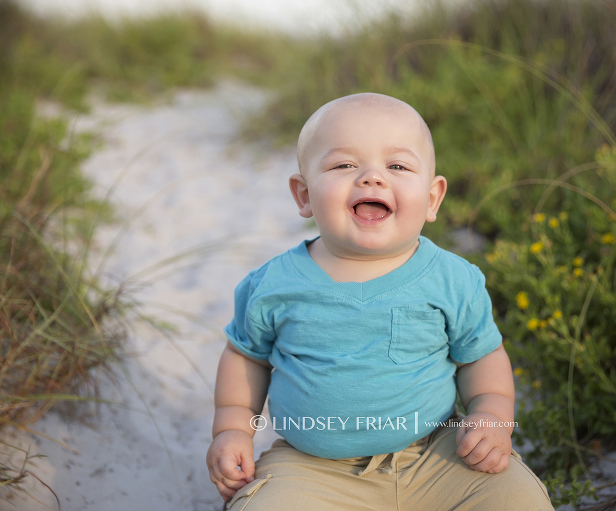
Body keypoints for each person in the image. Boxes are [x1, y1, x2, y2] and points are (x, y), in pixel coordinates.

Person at [205, 93, 553, 511]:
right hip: (312, 469)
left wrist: (491, 416)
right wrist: (231, 430)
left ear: (431, 198)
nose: (372, 178)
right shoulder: (273, 284)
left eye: (398, 166)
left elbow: (481, 357)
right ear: (303, 195)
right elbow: (247, 358)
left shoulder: (452, 279)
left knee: (516, 498)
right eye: (343, 165)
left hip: (438, 456)